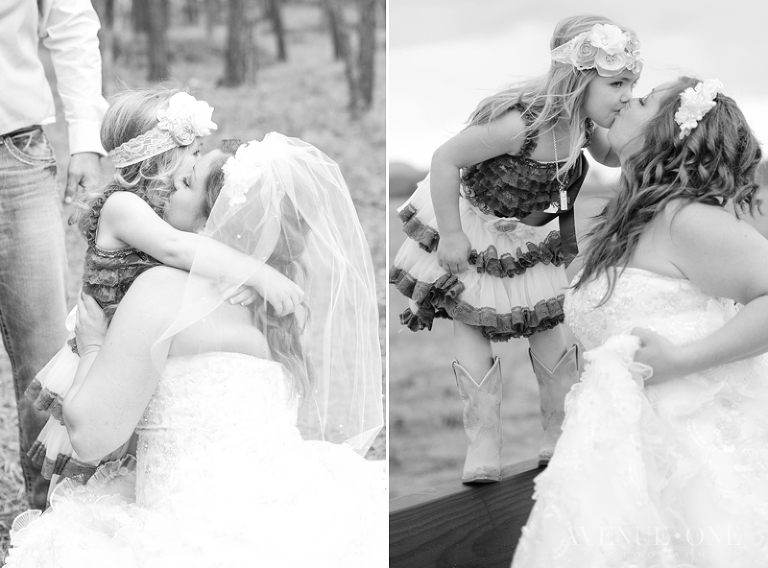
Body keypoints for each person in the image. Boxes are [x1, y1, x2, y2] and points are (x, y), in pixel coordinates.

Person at [4, 134, 386, 567]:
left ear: (212, 225)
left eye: (184, 183)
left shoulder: (161, 293)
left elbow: (91, 439)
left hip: (189, 533)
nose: (164, 187)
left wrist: (93, 345)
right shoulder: (278, 309)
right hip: (292, 515)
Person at [510, 77, 768, 566]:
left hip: (693, 460)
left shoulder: (685, 219)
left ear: (668, 135)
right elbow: (572, 117)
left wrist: (680, 359)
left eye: (644, 99)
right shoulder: (634, 218)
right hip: (627, 456)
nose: (629, 98)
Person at [389, 15, 643, 482]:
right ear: (580, 77)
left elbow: (617, 154)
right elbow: (446, 159)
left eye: (633, 83)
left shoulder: (586, 127)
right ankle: (484, 441)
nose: (627, 93)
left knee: (549, 325)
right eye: (619, 83)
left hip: (523, 239)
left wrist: (647, 122)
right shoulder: (519, 124)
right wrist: (451, 234)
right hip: (471, 224)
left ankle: (558, 431)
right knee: (471, 323)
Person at [23, 88, 303, 492]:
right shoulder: (123, 206)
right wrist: (258, 273)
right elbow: (178, 248)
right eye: (190, 156)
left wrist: (247, 279)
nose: (190, 165)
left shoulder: (181, 274)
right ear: (159, 160)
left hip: (118, 348)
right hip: (108, 333)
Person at [0, 0, 109, 509]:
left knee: (47, 362)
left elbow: (69, 18)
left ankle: (53, 534)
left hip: (13, 159)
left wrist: (86, 136)